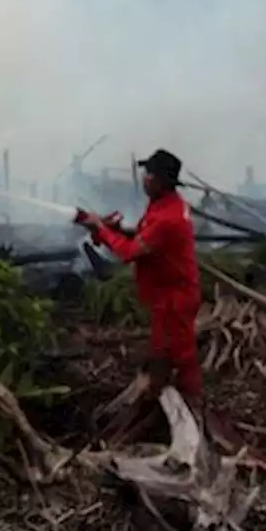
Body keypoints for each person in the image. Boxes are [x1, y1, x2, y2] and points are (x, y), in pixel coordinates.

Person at [75, 149, 204, 429]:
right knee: (165, 349)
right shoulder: (164, 205)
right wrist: (113, 228)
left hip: (176, 296)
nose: (144, 179)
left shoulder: (168, 217)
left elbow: (130, 253)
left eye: (149, 175)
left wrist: (102, 229)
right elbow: (143, 239)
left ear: (161, 181)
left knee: (182, 355)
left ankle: (192, 414)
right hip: (168, 294)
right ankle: (160, 402)